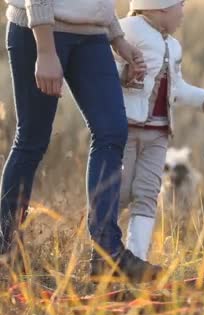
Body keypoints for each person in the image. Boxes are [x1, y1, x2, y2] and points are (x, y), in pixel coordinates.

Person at [0, 0, 162, 282]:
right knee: (32, 140)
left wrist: (116, 36)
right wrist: (46, 50)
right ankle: (6, 251)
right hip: (39, 31)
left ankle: (106, 254)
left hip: (92, 37)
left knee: (112, 132)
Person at [117, 0, 204, 261]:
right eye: (180, 5)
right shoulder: (124, 31)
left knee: (147, 194)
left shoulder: (173, 45)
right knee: (120, 192)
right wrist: (124, 73)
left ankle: (136, 260)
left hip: (158, 132)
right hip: (125, 128)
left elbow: (177, 88)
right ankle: (105, 253)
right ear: (160, 6)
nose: (183, 11)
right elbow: (102, 70)